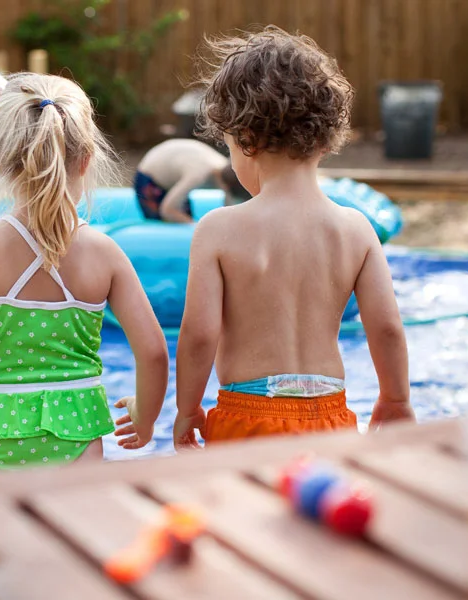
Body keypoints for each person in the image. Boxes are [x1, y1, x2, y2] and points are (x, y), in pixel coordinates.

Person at [0, 73, 169, 473]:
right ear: (85, 160)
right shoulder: (104, 253)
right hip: (77, 431)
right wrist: (146, 416)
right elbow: (153, 351)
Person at [173, 27, 414, 451]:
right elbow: (388, 329)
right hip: (331, 415)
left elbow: (198, 334)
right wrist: (395, 398)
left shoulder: (218, 229)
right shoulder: (356, 229)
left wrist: (187, 407)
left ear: (244, 140)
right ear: (324, 140)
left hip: (247, 416)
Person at [134, 138, 252, 223]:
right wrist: (196, 227)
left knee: (182, 219)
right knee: (162, 223)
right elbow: (168, 210)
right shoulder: (199, 174)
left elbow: (229, 209)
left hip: (173, 170)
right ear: (227, 186)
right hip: (150, 176)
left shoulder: (226, 169)